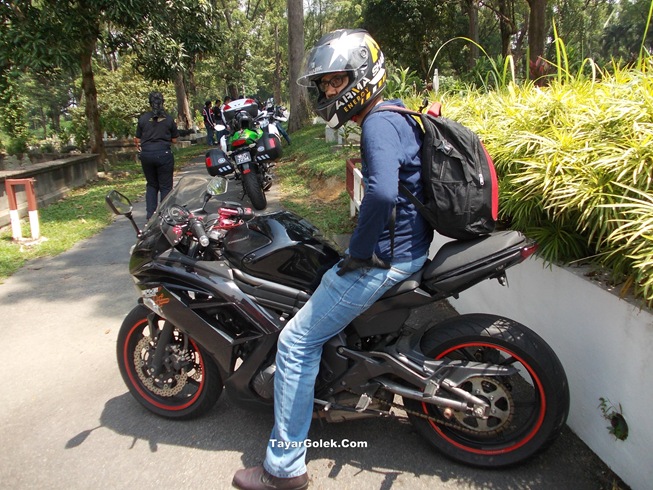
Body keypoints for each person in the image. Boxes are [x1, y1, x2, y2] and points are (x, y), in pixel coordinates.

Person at [232, 29, 433, 490]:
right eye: (324, 84)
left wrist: (358, 253)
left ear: (362, 76)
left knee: (296, 342)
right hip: (408, 250)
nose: (327, 92)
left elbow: (381, 195)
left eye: (335, 82)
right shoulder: (396, 113)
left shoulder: (378, 123)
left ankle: (284, 469)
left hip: (387, 260)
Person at [134, 91, 179, 220]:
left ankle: (150, 216)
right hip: (164, 154)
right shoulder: (169, 119)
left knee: (152, 185)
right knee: (166, 186)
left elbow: (137, 139)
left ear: (150, 103)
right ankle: (165, 215)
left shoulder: (143, 119)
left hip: (147, 155)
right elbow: (174, 140)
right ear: (162, 102)